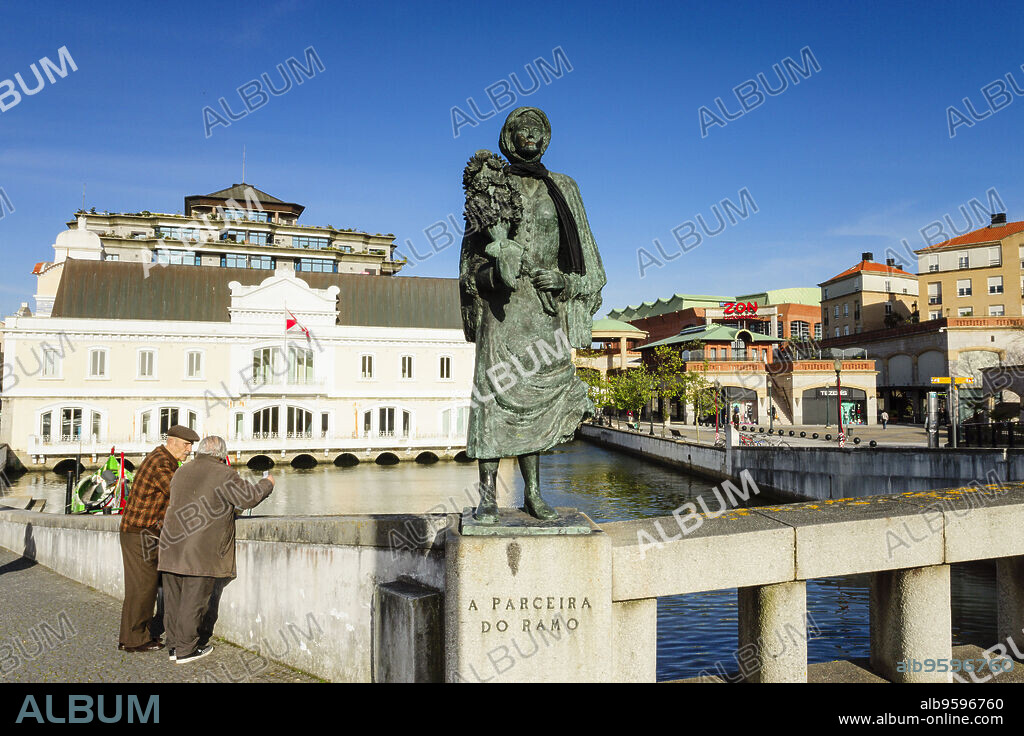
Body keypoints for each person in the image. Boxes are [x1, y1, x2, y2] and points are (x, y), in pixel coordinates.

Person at [459, 106, 605, 523]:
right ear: (508, 136)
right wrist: (497, 271)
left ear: (547, 138)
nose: (530, 137)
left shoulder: (564, 187)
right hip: (501, 311)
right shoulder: (490, 185)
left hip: (544, 311)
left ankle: (533, 495)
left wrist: (562, 281)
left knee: (535, 403)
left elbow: (590, 267)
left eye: (537, 130)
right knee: (494, 399)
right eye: (521, 129)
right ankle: (487, 496)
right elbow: (470, 268)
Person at [157, 436, 274, 664]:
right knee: (194, 600)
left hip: (170, 545)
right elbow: (248, 498)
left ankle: (173, 646)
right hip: (200, 550)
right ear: (221, 454)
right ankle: (186, 650)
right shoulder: (223, 473)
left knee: (173, 601)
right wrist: (267, 483)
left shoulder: (182, 471)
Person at [118, 424, 198, 653]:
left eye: (191, 445)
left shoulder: (163, 459)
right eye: (186, 444)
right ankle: (135, 640)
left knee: (141, 587)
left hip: (142, 531)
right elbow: (177, 491)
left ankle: (130, 637)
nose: (189, 449)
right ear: (172, 442)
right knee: (143, 588)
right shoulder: (161, 463)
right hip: (139, 532)